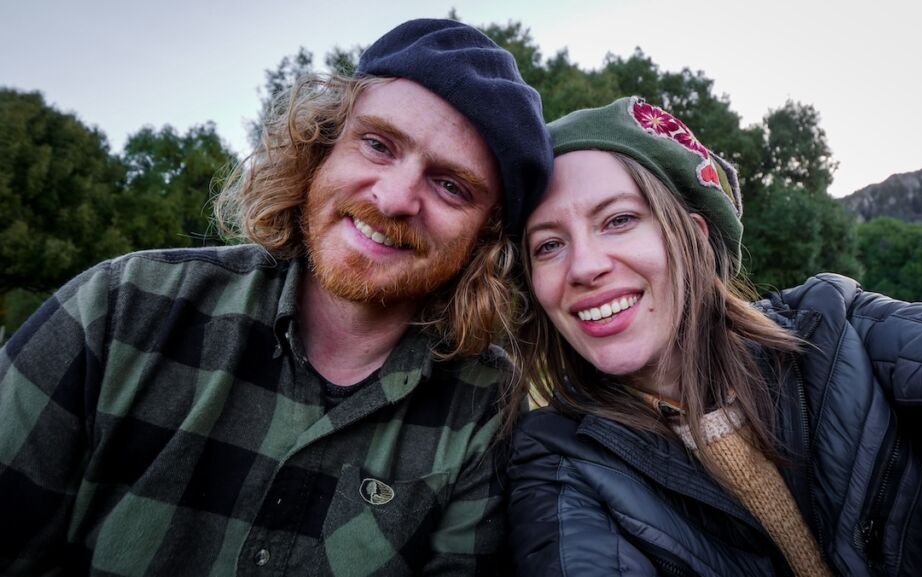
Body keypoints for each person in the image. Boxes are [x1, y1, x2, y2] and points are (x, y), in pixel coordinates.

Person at [0, 19, 551, 576]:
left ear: (486, 236)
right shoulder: (117, 311)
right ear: (323, 146)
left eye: (451, 185)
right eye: (378, 145)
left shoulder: (484, 405)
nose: (393, 198)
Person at [506, 96, 922, 576]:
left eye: (618, 219)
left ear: (697, 239)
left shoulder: (837, 328)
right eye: (548, 245)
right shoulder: (556, 459)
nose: (585, 266)